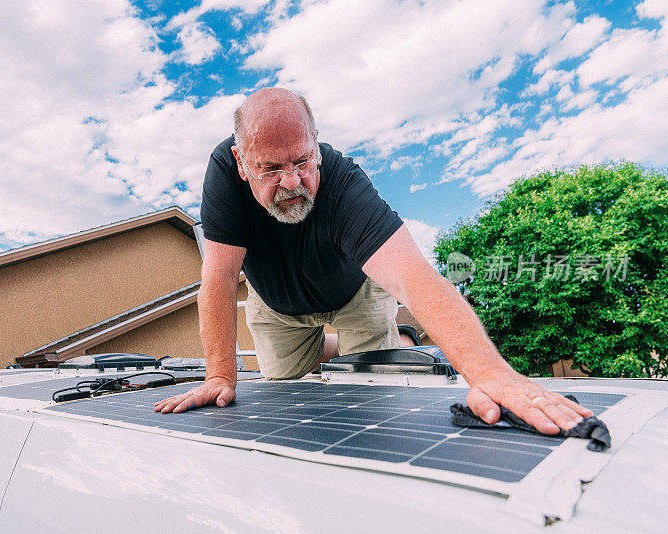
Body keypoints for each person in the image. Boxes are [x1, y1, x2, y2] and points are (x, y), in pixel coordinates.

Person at [155, 87, 592, 434]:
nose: (291, 182)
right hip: (278, 305)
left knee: (367, 380)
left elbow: (411, 274)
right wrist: (220, 377)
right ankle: (372, 342)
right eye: (270, 169)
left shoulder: (345, 183)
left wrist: (490, 373)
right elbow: (218, 278)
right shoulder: (224, 176)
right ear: (241, 162)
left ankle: (393, 342)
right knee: (283, 384)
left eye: (303, 161)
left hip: (355, 293)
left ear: (317, 146)